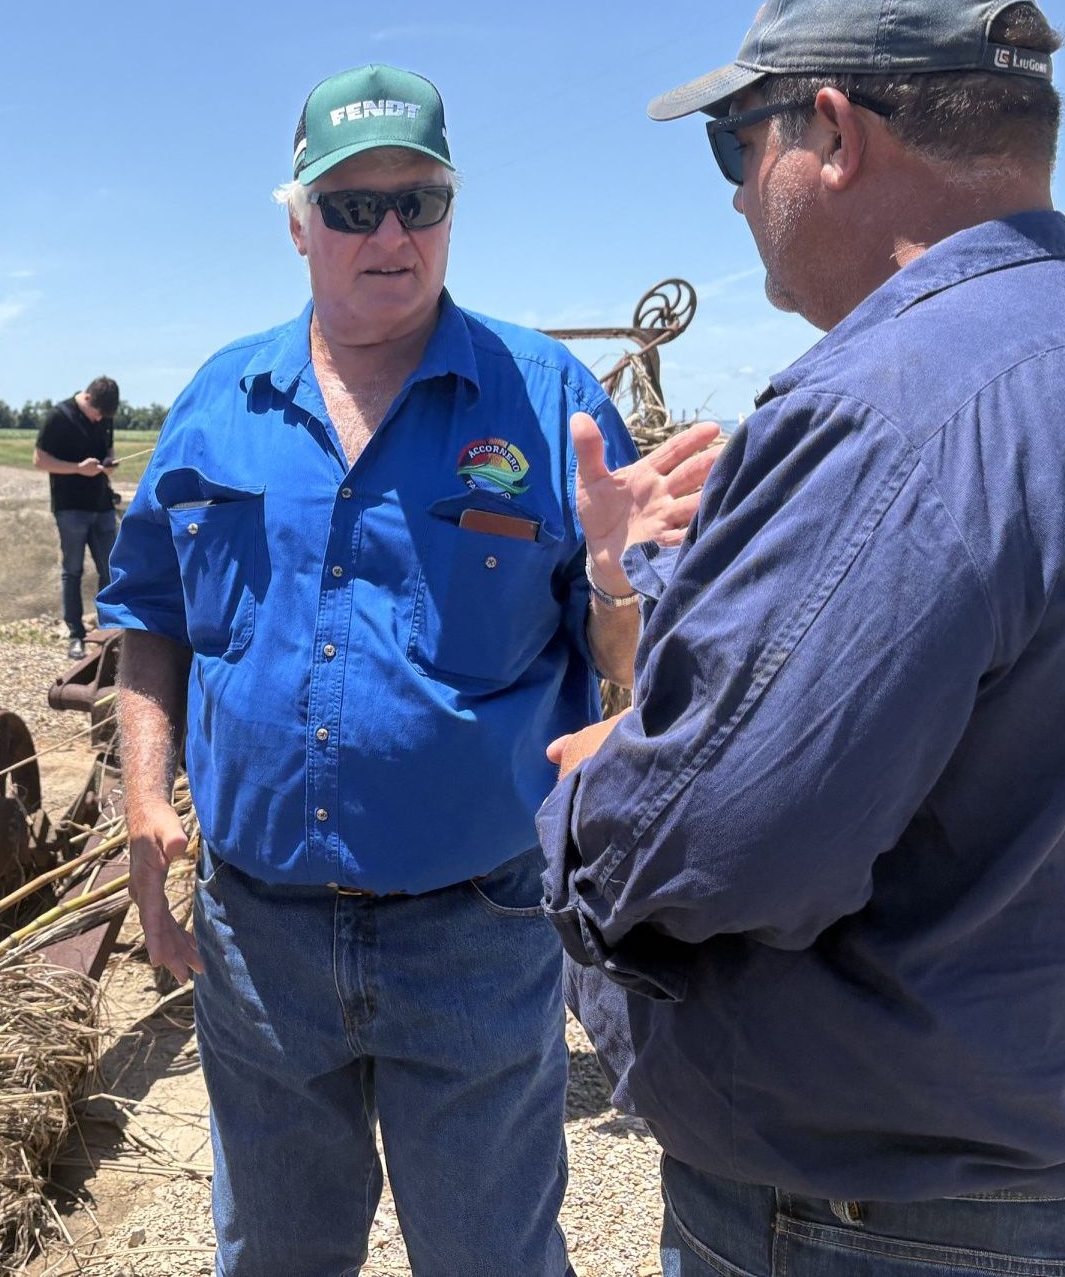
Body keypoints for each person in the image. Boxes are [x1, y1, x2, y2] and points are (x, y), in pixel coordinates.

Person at [540, 0, 1065, 1273]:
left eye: (738, 143)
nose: (740, 192)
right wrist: (643, 570)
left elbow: (722, 847)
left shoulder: (891, 408)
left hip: (872, 1219)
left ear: (836, 132)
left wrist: (587, 795)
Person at [97, 63, 719, 1275]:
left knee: (490, 1254)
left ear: (448, 214)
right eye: (350, 205)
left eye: (418, 201)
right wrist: (140, 802)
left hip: (475, 931)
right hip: (256, 934)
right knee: (273, 1254)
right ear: (295, 223)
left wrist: (609, 577)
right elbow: (150, 617)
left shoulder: (546, 403)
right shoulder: (218, 403)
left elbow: (628, 682)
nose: (388, 231)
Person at [34, 375, 121, 659]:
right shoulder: (59, 417)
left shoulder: (104, 416)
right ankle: (76, 635)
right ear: (86, 399)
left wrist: (108, 463)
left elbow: (107, 446)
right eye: (97, 414)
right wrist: (77, 468)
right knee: (73, 571)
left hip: (103, 505)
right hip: (70, 508)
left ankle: (108, 633)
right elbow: (39, 460)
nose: (100, 420)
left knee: (111, 568)